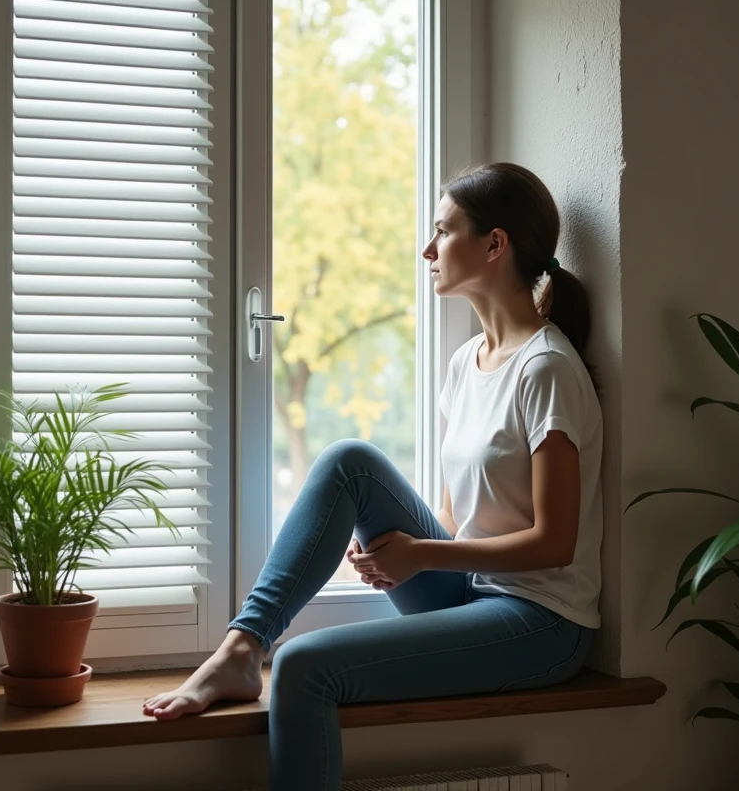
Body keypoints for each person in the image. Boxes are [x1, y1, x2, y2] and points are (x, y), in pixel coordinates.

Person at [142, 162, 603, 791]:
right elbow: (458, 520)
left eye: (443, 231)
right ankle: (241, 649)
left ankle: (253, 657)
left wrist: (420, 554)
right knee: (348, 460)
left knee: (306, 667)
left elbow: (556, 543)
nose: (427, 249)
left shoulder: (546, 369)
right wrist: (403, 555)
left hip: (541, 621)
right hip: (473, 593)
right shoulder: (466, 364)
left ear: (495, 244)